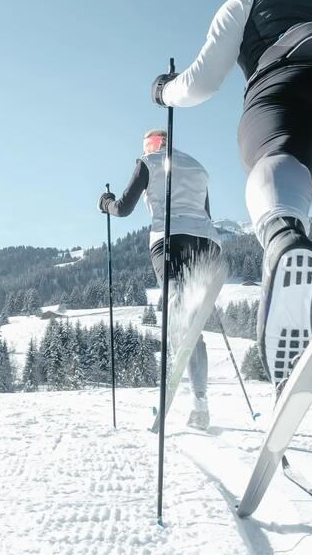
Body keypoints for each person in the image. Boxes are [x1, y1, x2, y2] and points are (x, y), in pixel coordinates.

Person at [150, 0, 312, 522]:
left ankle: (284, 233)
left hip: (289, 85)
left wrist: (162, 90)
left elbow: (202, 82)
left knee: (280, 154)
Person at [99, 128, 224, 432]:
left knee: (177, 317)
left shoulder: (148, 162)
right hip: (207, 243)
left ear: (151, 144)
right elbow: (205, 214)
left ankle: (182, 366)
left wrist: (106, 203)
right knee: (193, 323)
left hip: (170, 241)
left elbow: (124, 208)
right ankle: (200, 404)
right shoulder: (197, 166)